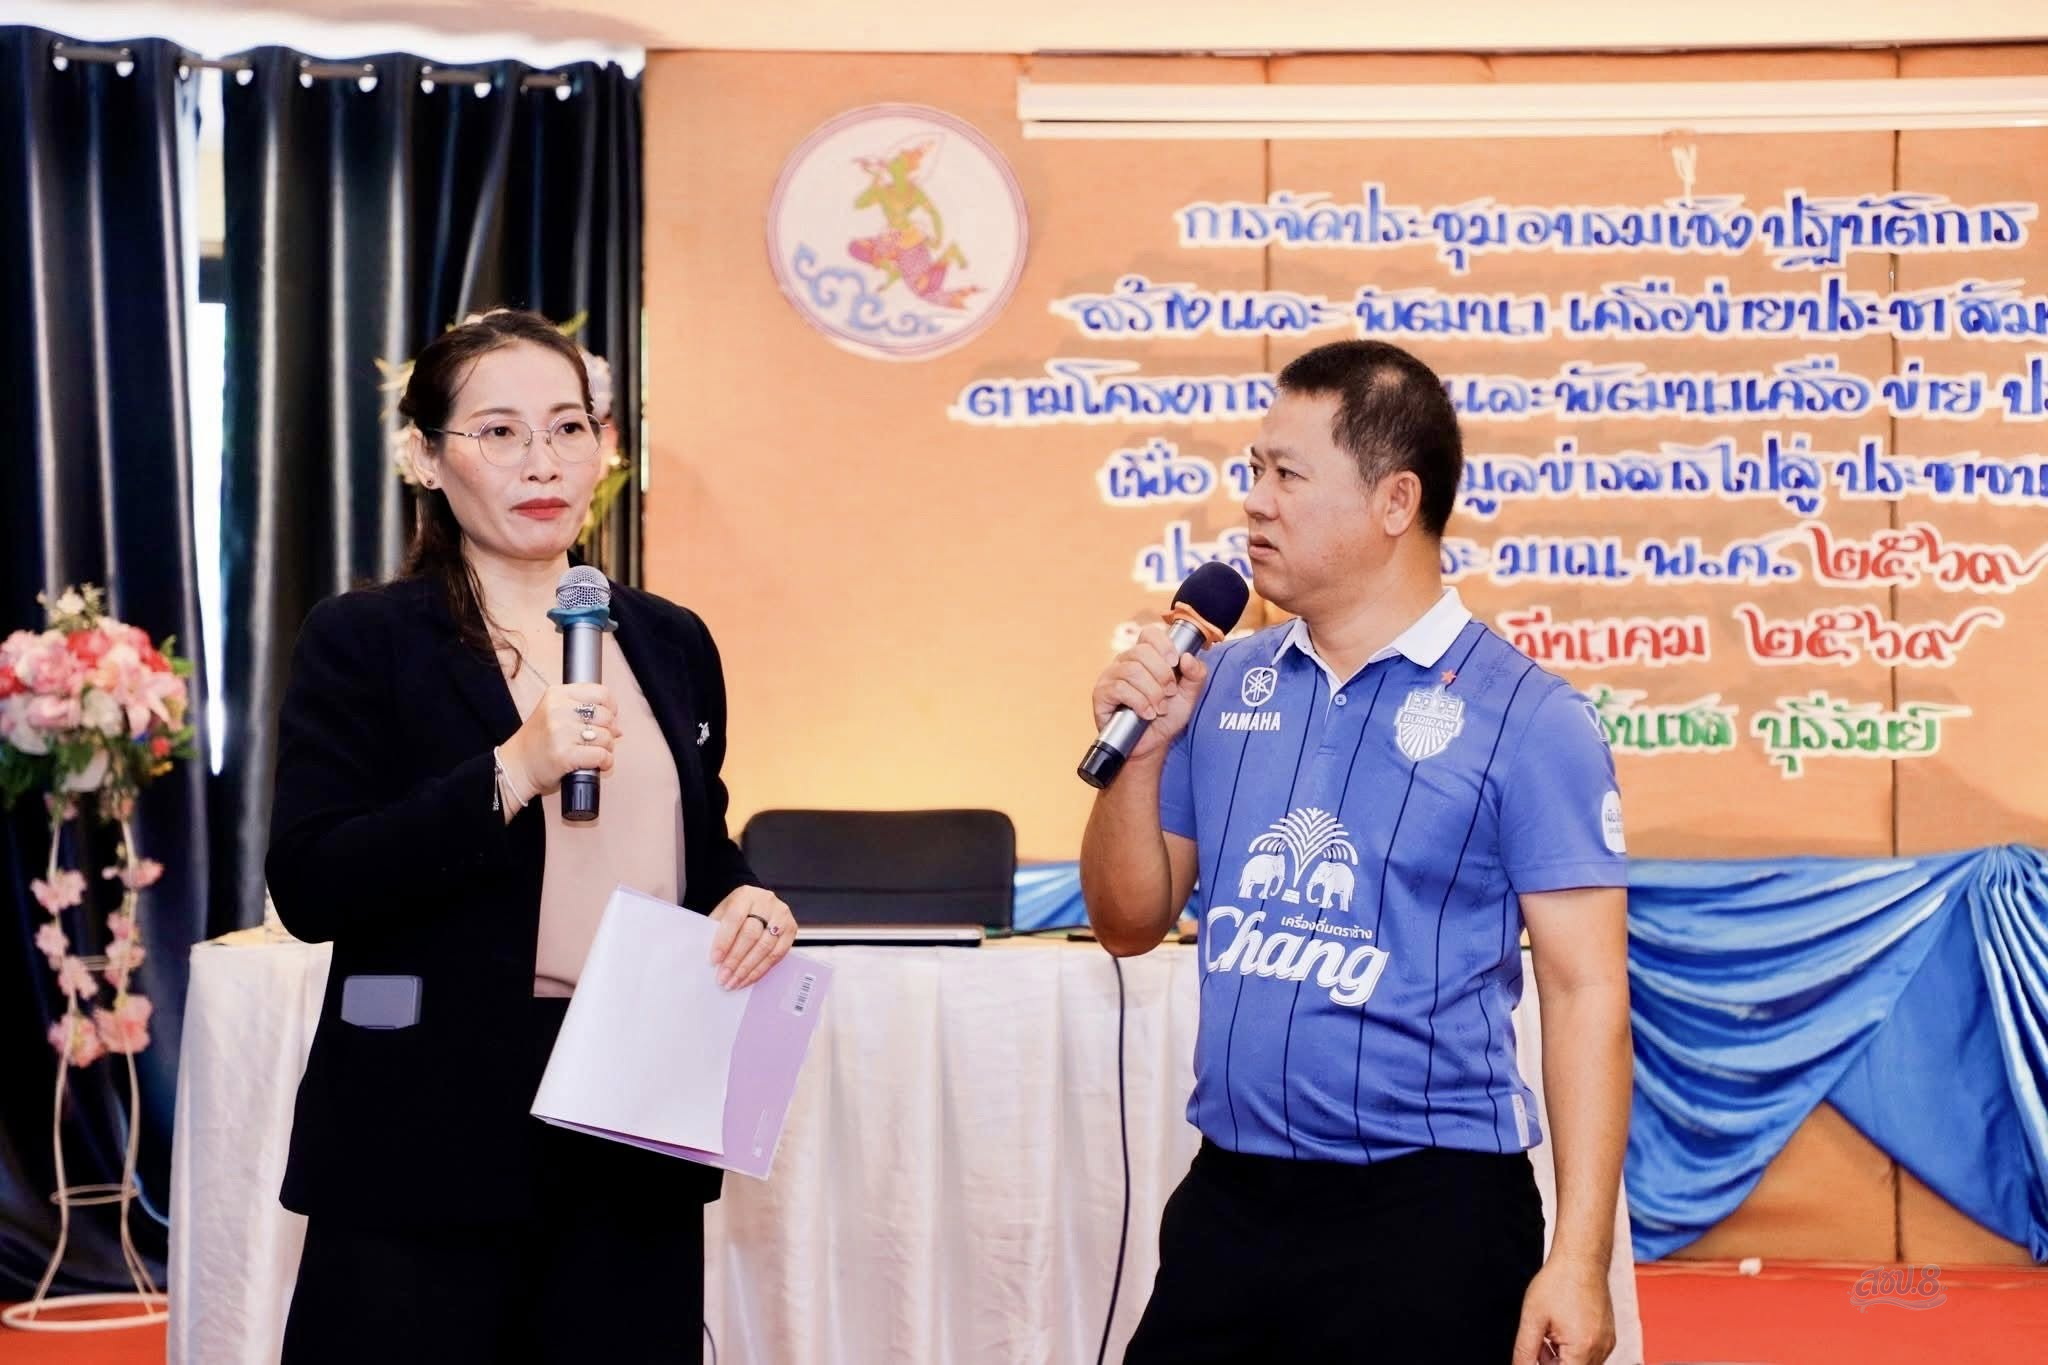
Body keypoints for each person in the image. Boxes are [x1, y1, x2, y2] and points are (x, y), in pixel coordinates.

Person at [1081, 339, 1630, 1364]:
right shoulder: (1219, 683)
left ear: (1394, 501)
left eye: (1287, 474)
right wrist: (1138, 763)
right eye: (1254, 469)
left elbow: (1586, 989)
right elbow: (1125, 923)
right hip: (1230, 1201)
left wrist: (1579, 1258)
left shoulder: (1530, 717)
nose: (1253, 502)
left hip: (1431, 1216)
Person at [266, 308, 795, 1362]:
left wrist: (743, 894)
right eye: (499, 432)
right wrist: (510, 772)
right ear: (427, 457)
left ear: (605, 446)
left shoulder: (669, 639)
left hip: (633, 1102)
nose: (542, 461)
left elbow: (699, 841)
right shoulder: (366, 639)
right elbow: (313, 881)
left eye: (567, 427)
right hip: (432, 1121)